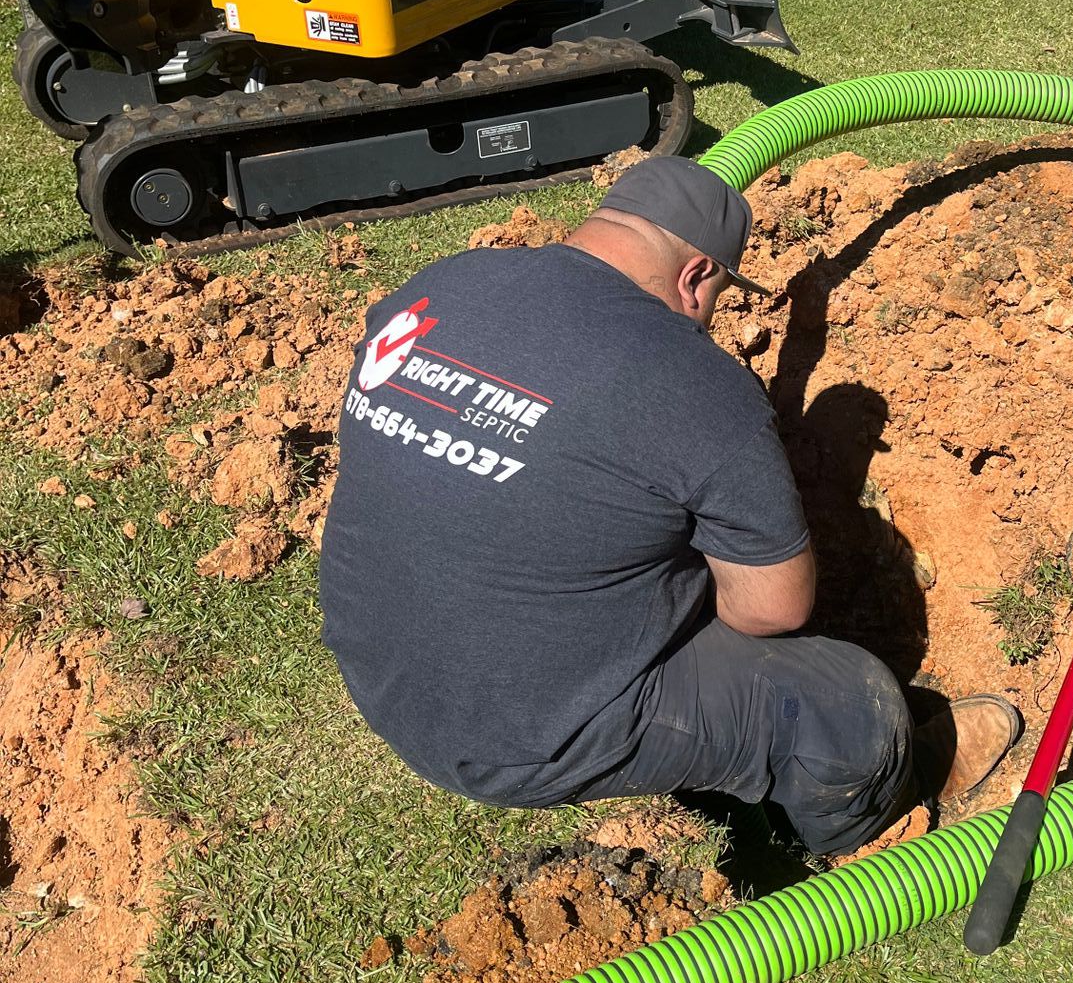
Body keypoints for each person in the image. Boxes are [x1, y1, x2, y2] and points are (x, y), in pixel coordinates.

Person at [319, 156, 1020, 860]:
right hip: (513, 731)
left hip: (379, 659)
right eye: (719, 296)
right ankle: (871, 818)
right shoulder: (692, 383)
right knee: (850, 703)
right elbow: (772, 609)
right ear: (696, 277)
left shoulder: (443, 283)